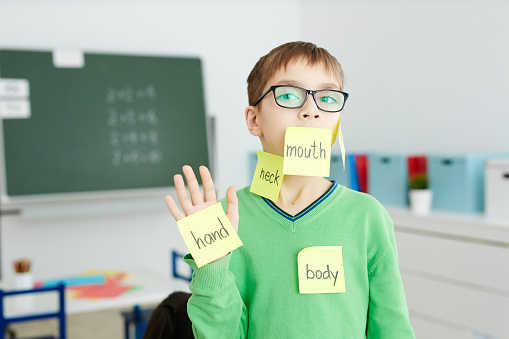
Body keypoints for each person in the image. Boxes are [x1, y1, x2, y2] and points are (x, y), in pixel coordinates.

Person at [164, 41, 415, 338]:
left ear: (336, 122)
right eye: (288, 95)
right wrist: (213, 262)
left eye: (328, 98)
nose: (311, 110)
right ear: (254, 120)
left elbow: (392, 328)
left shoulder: (367, 216)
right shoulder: (224, 219)